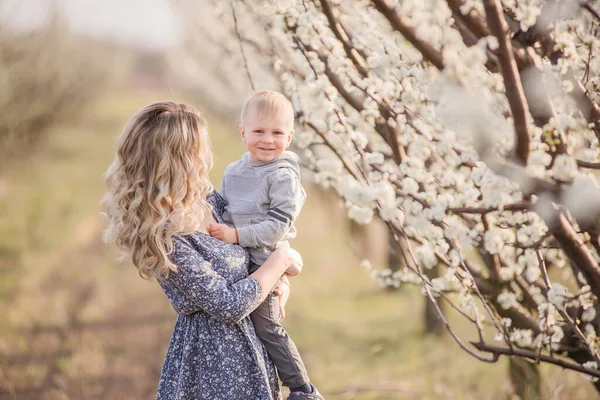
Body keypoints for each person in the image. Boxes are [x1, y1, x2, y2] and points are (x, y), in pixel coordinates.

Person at [102, 101, 303, 399]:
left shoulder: (206, 198)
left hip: (254, 353)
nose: (205, 158)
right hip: (213, 368)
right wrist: (281, 260)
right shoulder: (165, 234)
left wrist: (279, 281)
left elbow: (254, 245)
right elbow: (228, 305)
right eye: (198, 150)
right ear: (174, 158)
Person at [208, 90, 323, 399]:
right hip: (236, 256)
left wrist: (236, 236)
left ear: (290, 137)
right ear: (244, 133)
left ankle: (302, 388)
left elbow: (278, 225)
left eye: (277, 133)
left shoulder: (283, 175)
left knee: (267, 326)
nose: (268, 139)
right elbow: (223, 210)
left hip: (264, 259)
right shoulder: (234, 171)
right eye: (259, 131)